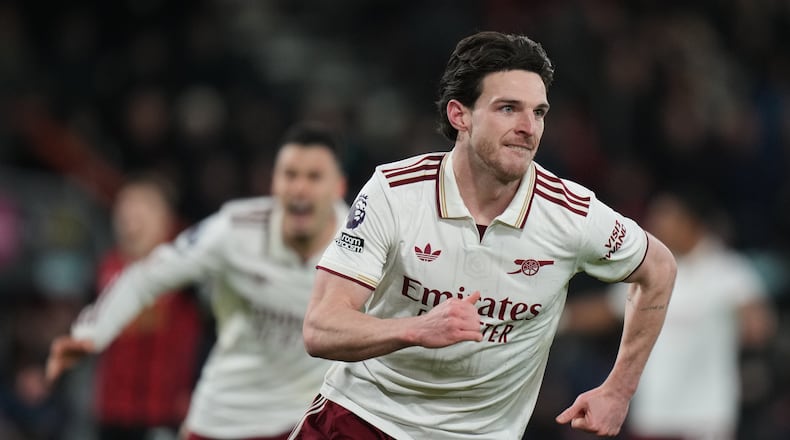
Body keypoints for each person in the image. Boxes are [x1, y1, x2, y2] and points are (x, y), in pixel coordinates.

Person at [291, 31, 677, 440]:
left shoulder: (571, 215)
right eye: (508, 108)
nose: (529, 128)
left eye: (539, 112)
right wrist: (414, 331)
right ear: (461, 115)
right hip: (366, 418)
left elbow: (659, 270)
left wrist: (619, 391)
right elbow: (322, 327)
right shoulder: (394, 192)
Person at [46, 122, 349, 440]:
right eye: (290, 175)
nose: (300, 188)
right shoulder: (235, 229)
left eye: (314, 177)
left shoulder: (362, 242)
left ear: (338, 187)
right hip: (227, 414)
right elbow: (147, 277)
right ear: (274, 183)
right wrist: (93, 331)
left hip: (308, 417)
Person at [564, 186, 776, 440]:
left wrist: (752, 322)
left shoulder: (728, 272)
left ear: (692, 222)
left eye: (666, 216)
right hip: (654, 416)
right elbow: (605, 311)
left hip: (706, 419)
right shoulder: (651, 273)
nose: (656, 224)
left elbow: (759, 325)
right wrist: (553, 319)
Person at [92, 173, 204, 440]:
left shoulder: (187, 271)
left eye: (142, 206)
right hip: (111, 412)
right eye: (125, 206)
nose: (131, 215)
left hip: (163, 413)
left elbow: (214, 331)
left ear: (164, 217)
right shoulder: (106, 268)